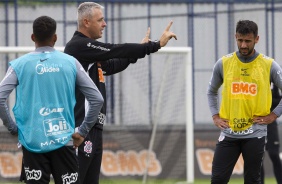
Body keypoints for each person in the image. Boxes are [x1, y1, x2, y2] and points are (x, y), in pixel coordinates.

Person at [64, 2, 177, 184]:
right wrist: (155, 45)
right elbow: (115, 50)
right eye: (100, 20)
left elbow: (112, 64)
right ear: (86, 22)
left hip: (94, 128)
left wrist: (137, 52)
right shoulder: (78, 46)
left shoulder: (90, 55)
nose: (105, 24)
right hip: (81, 128)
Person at [0, 15, 104, 184]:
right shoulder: (71, 62)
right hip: (64, 140)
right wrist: (83, 131)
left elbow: (0, 97)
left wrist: (13, 128)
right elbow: (97, 99)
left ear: (33, 37)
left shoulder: (19, 65)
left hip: (33, 141)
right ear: (55, 38)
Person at [207, 19, 282, 184]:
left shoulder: (269, 65)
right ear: (235, 37)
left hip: (255, 133)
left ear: (257, 39)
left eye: (248, 41)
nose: (243, 45)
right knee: (218, 179)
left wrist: (274, 115)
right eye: (240, 40)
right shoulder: (224, 63)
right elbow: (211, 92)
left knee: (253, 180)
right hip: (228, 133)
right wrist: (215, 116)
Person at [261, 84, 282, 184]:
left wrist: (267, 101)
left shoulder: (273, 79)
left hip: (270, 122)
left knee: (274, 154)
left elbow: (278, 100)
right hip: (255, 123)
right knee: (258, 157)